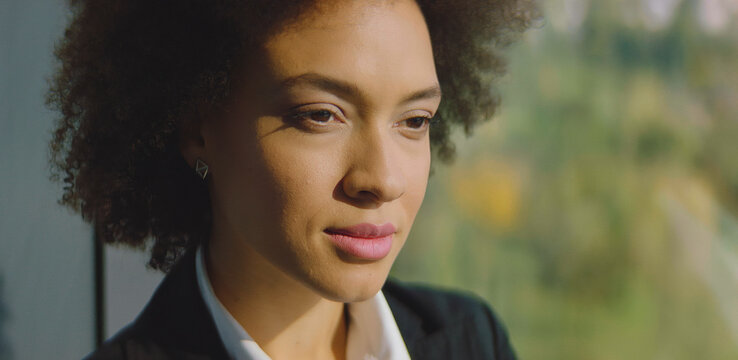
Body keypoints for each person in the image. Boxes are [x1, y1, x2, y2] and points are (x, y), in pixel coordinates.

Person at [47, 0, 538, 358]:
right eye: (322, 115)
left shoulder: (472, 341)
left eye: (414, 121)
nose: (384, 180)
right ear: (196, 129)